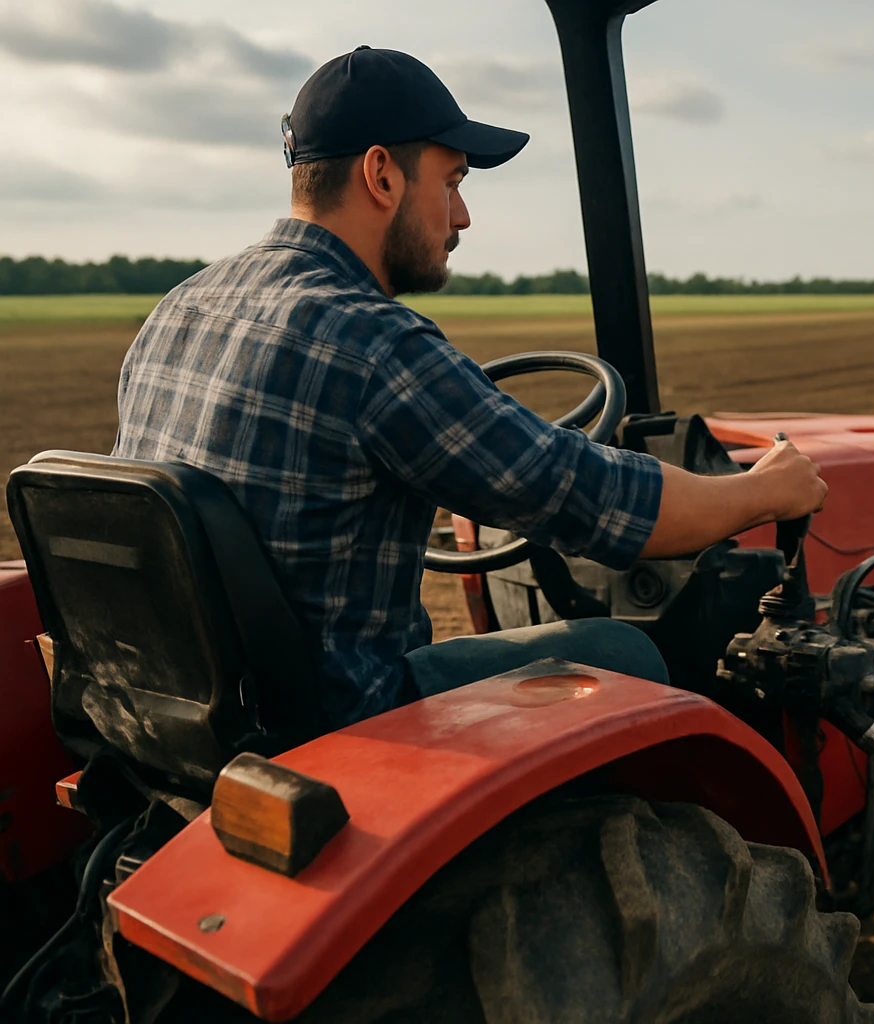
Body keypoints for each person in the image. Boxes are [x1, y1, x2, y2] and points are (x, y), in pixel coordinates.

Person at [111, 47, 826, 729]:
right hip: (340, 727)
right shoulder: (374, 342)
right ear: (382, 175)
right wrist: (764, 490)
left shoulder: (178, 306)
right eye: (451, 183)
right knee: (629, 655)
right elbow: (601, 504)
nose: (462, 217)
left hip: (201, 719)